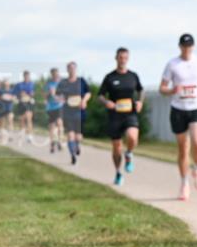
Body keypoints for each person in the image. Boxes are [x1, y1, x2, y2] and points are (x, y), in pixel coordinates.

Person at [160, 33, 197, 201]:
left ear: (193, 46)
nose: (186, 48)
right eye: (184, 46)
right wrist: (171, 91)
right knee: (183, 148)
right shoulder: (172, 64)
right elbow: (162, 88)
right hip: (178, 109)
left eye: (189, 46)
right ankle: (184, 183)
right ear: (180, 47)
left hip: (196, 107)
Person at [98, 48, 144, 186]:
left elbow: (141, 90)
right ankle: (118, 172)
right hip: (115, 116)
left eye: (125, 57)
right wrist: (107, 102)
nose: (122, 60)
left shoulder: (133, 76)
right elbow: (100, 95)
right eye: (120, 57)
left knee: (132, 137)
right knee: (117, 146)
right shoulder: (110, 77)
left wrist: (140, 101)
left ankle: (129, 153)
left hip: (130, 113)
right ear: (116, 58)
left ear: (127, 59)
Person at [57, 62, 90, 164]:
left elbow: (88, 93)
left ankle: (77, 145)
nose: (71, 70)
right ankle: (72, 156)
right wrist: (61, 99)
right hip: (68, 112)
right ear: (67, 70)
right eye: (69, 68)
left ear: (76, 69)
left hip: (79, 112)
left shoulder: (81, 81)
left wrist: (84, 101)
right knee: (70, 135)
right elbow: (58, 95)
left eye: (73, 68)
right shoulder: (63, 82)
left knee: (78, 137)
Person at [45, 68, 64, 153]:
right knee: (52, 126)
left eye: (56, 73)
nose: (55, 75)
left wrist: (60, 98)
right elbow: (45, 96)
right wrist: (49, 93)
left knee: (60, 123)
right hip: (50, 107)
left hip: (59, 106)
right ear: (51, 75)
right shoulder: (49, 84)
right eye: (53, 74)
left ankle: (60, 141)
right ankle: (52, 143)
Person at [13, 70, 36, 144]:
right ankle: (23, 133)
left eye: (28, 76)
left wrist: (30, 94)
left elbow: (33, 93)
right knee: (22, 119)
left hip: (29, 102)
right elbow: (15, 94)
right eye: (25, 76)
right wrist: (19, 94)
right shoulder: (19, 85)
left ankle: (30, 136)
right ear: (23, 76)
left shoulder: (32, 84)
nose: (27, 77)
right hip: (21, 103)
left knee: (29, 118)